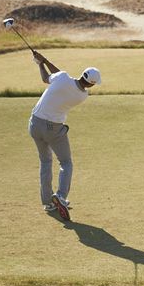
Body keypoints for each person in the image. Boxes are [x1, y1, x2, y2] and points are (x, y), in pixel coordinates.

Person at [28, 50, 101, 220]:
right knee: (66, 162)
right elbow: (61, 77)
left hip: (34, 124)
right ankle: (60, 196)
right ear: (90, 84)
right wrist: (44, 60)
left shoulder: (63, 78)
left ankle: (48, 202)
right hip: (53, 129)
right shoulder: (83, 95)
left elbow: (48, 78)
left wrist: (41, 63)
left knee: (45, 161)